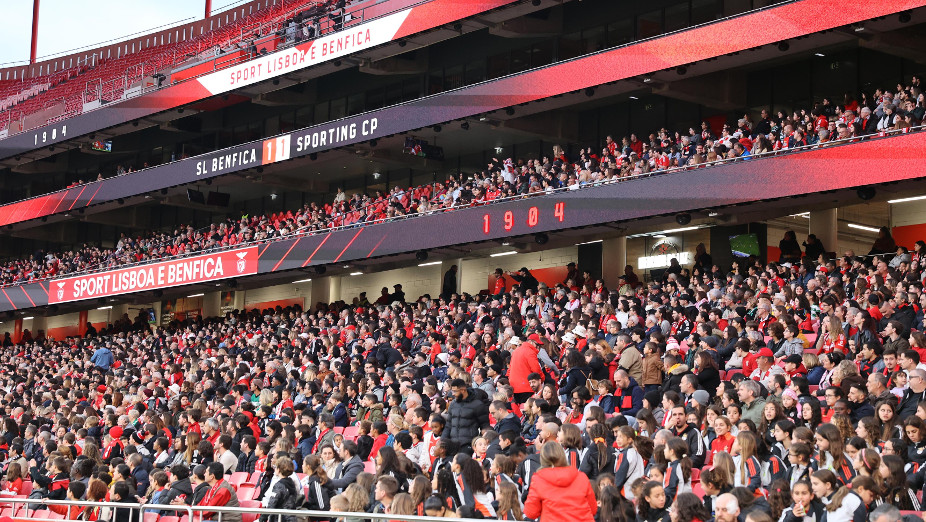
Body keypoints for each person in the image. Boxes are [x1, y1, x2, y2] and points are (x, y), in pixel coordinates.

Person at [523, 441, 596, 522]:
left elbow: (531, 513)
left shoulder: (538, 480)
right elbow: (593, 509)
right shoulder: (581, 477)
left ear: (542, 458)